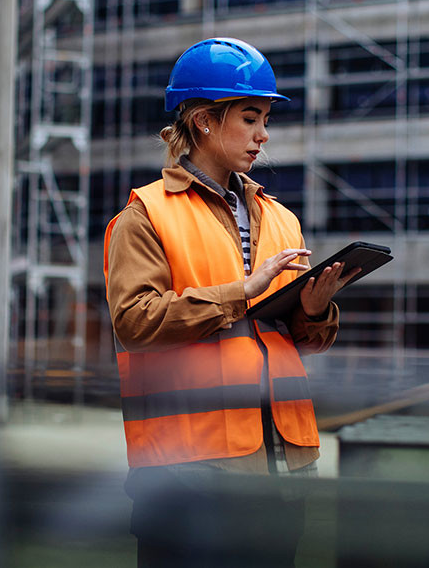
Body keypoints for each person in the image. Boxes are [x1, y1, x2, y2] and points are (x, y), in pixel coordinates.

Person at [103, 37, 359, 567]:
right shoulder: (146, 216)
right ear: (203, 121)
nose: (264, 135)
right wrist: (238, 293)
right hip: (186, 475)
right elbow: (134, 321)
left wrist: (313, 309)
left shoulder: (281, 218)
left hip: (279, 472)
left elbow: (293, 343)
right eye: (250, 117)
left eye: (265, 118)